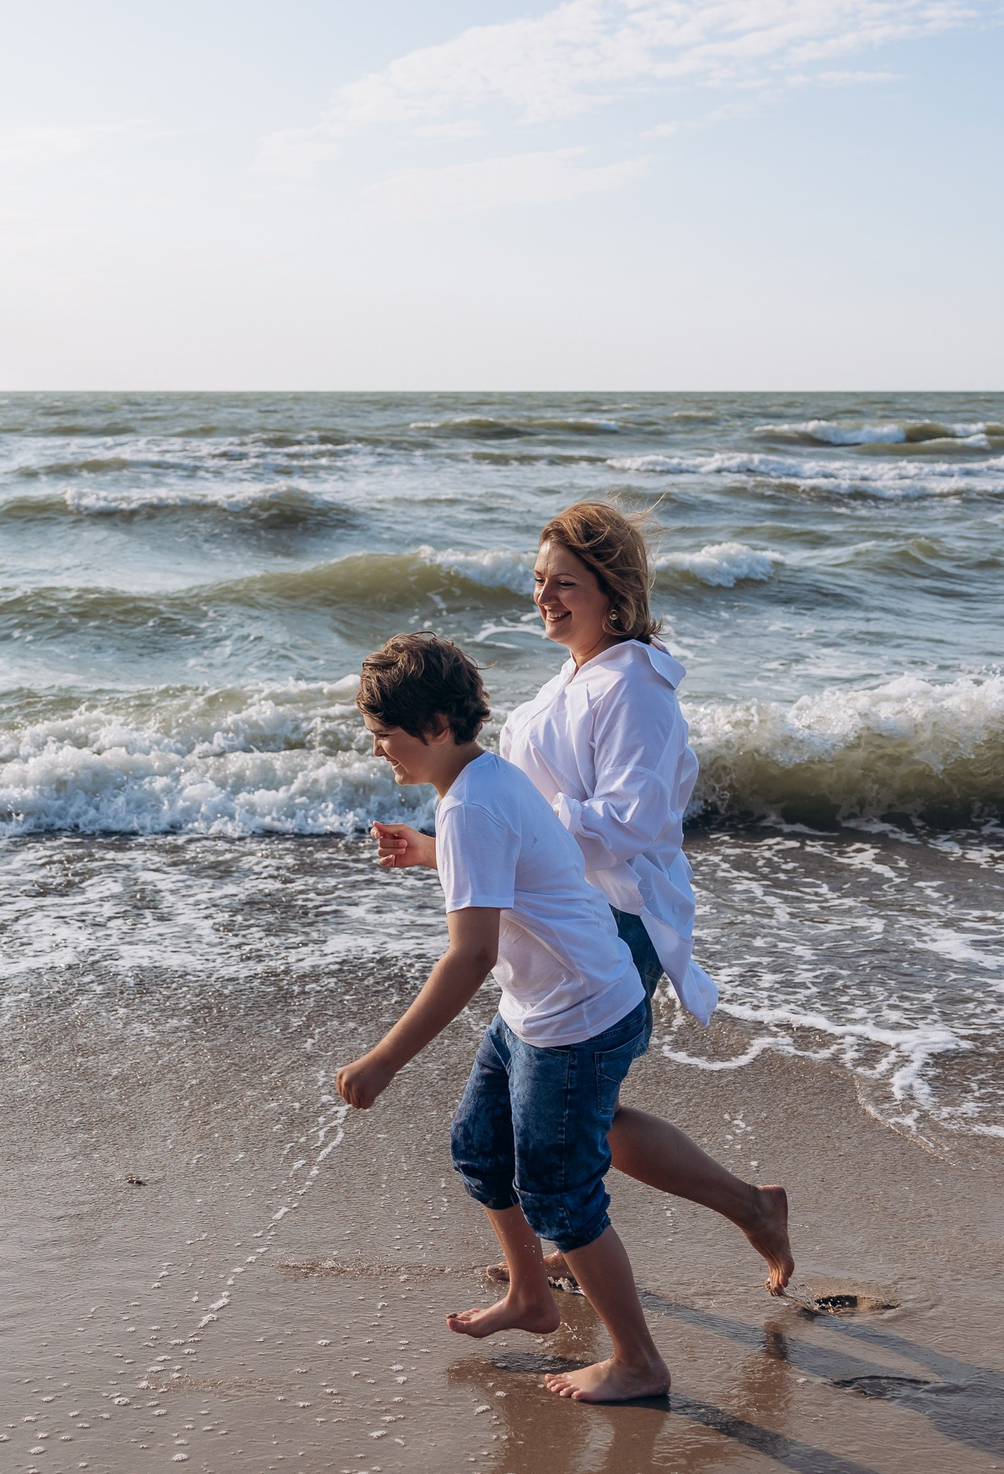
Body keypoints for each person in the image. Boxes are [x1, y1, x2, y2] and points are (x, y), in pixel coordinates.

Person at [374, 501, 795, 1295]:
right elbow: (516, 824)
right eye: (538, 581)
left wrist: (515, 826)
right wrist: (442, 847)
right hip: (559, 917)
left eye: (564, 583)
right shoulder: (575, 673)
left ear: (614, 591)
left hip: (618, 919)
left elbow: (633, 824)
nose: (545, 597)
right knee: (568, 1115)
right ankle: (623, 1229)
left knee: (570, 1117)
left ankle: (737, 1209)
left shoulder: (633, 688)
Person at [335, 631, 671, 1404]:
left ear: (437, 726)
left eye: (384, 735)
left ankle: (639, 1361)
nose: (379, 750)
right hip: (543, 1004)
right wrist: (427, 852)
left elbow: (470, 956)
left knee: (561, 1192)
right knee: (481, 1149)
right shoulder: (482, 782)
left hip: (575, 1016)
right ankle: (531, 1295)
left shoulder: (472, 808)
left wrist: (384, 1057)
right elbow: (521, 865)